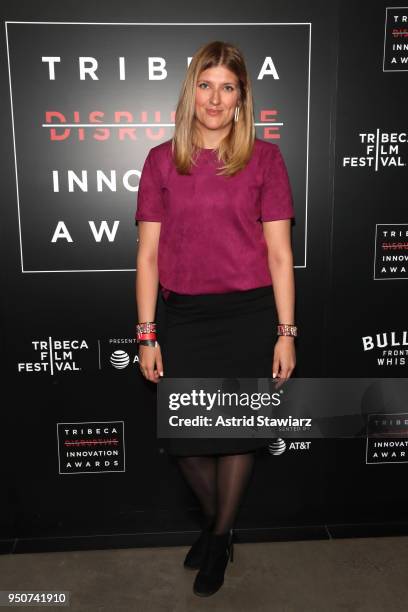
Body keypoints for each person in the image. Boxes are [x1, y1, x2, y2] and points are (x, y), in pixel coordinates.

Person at [135, 40, 297, 597]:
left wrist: (285, 332)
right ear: (191, 91)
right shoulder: (161, 159)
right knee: (188, 445)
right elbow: (149, 257)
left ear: (242, 96)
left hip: (249, 315)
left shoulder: (265, 158)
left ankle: (219, 539)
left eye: (227, 87)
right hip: (182, 319)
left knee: (235, 440)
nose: (215, 97)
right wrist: (147, 332)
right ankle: (218, 527)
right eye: (205, 84)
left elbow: (279, 254)